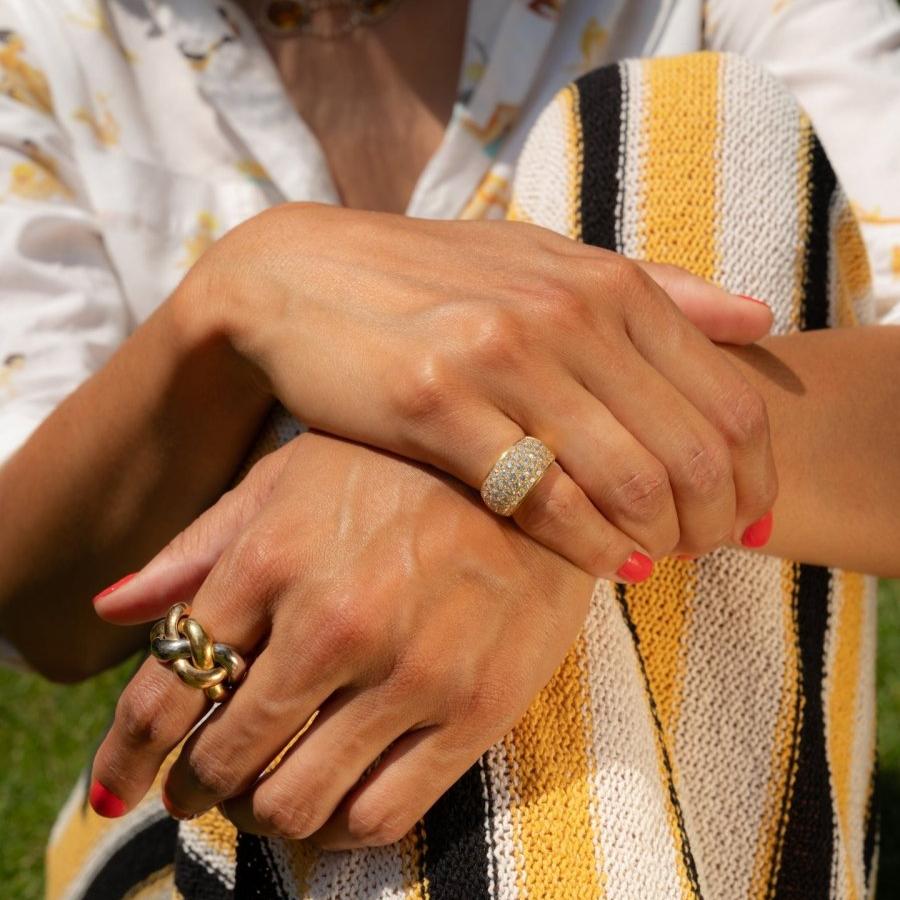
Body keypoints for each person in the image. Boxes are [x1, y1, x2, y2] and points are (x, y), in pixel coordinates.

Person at [0, 1, 898, 897]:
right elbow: (38, 611)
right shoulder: (48, 36)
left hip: (693, 730)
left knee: (689, 124)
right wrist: (233, 307)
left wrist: (533, 445)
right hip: (240, 772)